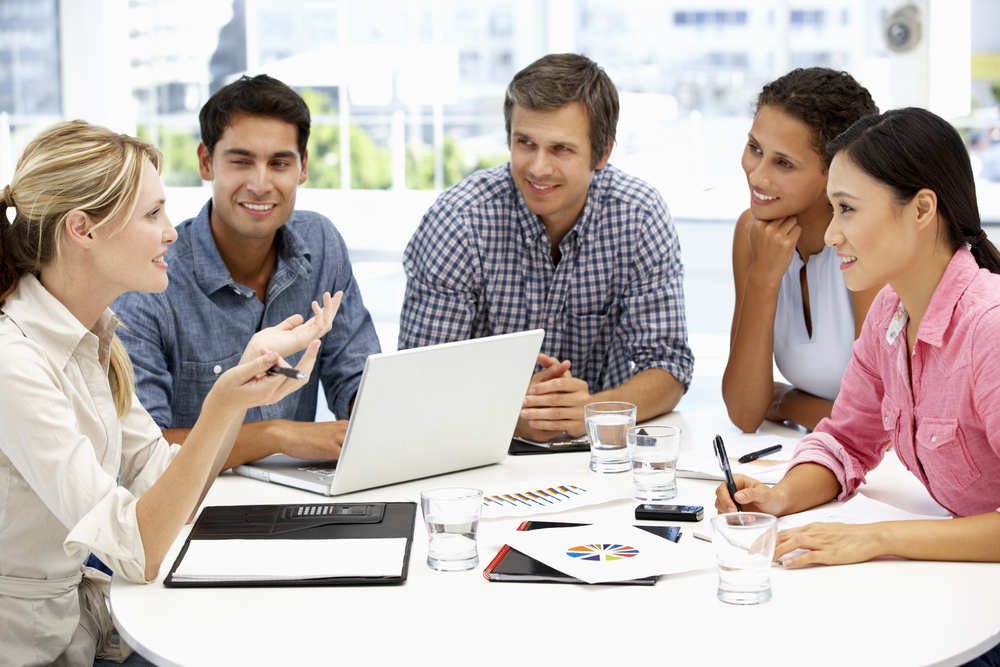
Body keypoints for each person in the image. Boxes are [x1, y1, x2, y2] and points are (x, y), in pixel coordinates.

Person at [0, 120, 337, 665]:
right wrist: (223, 404)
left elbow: (167, 487)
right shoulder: (13, 362)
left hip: (84, 636)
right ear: (82, 230)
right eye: (152, 214)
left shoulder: (96, 337)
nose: (172, 232)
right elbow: (138, 550)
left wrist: (245, 384)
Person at [715, 108, 1000, 576]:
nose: (830, 234)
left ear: (923, 209)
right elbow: (845, 441)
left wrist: (878, 537)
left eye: (847, 209)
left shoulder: (988, 328)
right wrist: (778, 496)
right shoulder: (891, 312)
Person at [398, 53, 694, 442]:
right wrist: (511, 416)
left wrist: (591, 412)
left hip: (601, 451)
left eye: (561, 149)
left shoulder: (639, 215)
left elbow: (669, 367)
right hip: (473, 448)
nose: (538, 167)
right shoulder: (458, 221)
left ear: (602, 154)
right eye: (525, 143)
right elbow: (419, 382)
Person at [113, 74, 379, 468]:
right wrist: (277, 435)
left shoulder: (322, 244)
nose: (260, 184)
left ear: (302, 167)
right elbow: (143, 452)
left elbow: (356, 377)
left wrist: (374, 417)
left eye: (279, 163)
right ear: (206, 162)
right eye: (241, 161)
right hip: (193, 509)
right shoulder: (150, 278)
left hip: (300, 497)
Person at [722, 68, 882, 433]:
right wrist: (763, 276)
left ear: (834, 170)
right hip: (816, 453)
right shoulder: (752, 232)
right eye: (755, 149)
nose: (757, 176)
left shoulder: (869, 241)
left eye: (784, 163)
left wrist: (786, 401)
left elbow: (880, 423)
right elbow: (745, 413)